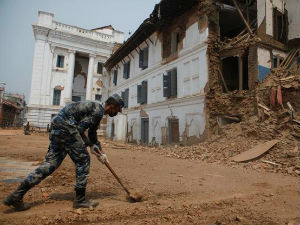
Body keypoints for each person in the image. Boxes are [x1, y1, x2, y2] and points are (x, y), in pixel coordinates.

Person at [3, 94, 124, 211]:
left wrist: (99, 149)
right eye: (118, 109)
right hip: (67, 128)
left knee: (51, 163)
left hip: (57, 127)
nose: (117, 112)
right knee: (83, 160)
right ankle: (80, 200)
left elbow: (92, 134)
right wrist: (91, 146)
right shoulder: (98, 111)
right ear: (112, 105)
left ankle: (17, 195)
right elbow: (81, 130)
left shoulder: (96, 108)